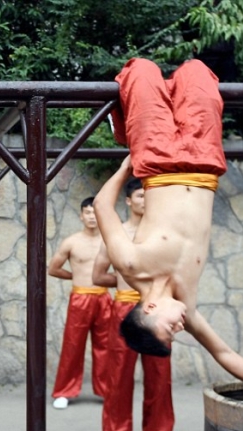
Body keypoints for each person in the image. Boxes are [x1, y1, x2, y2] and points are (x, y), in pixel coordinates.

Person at [94, 58, 243, 381]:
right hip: (203, 160)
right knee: (196, 71)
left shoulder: (130, 264)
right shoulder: (187, 306)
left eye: (169, 330)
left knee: (141, 71)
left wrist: (124, 169)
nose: (179, 328)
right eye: (175, 333)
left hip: (156, 161)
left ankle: (124, 131)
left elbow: (102, 207)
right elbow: (224, 353)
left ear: (148, 310)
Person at [92, 176, 177, 431]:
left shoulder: (162, 235)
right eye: (140, 195)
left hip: (156, 310)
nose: (145, 200)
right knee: (118, 376)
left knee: (160, 375)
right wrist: (123, 282)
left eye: (148, 195)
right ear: (129, 200)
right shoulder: (117, 235)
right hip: (124, 308)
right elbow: (97, 275)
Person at [48, 197, 112, 409]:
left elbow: (124, 268)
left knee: (105, 347)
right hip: (80, 298)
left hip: (103, 297)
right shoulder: (71, 242)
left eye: (95, 212)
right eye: (87, 212)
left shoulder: (109, 241)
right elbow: (53, 268)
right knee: (73, 345)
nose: (92, 216)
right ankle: (64, 392)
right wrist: (75, 276)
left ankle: (106, 391)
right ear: (81, 215)